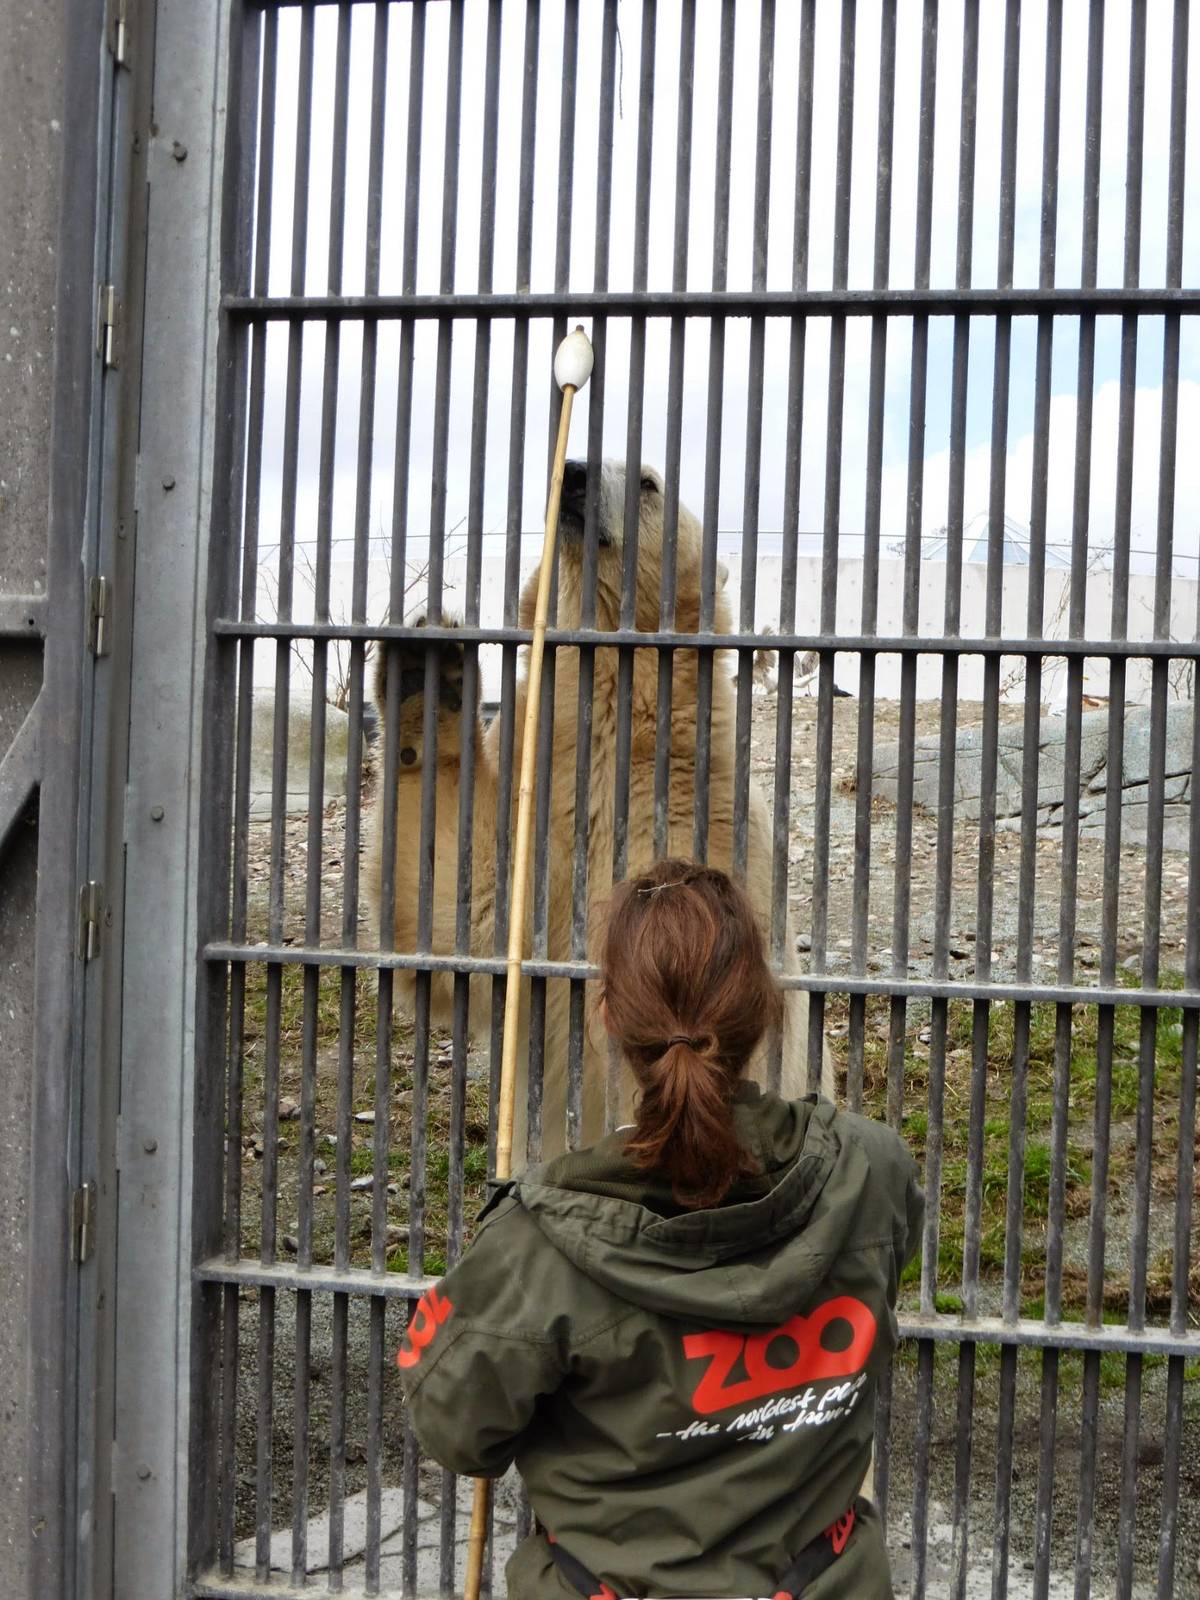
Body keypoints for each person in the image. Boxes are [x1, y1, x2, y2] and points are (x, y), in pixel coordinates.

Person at [397, 859, 924, 1599]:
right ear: (769, 1010)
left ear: (608, 1016)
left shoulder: (533, 1243)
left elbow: (458, 1434)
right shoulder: (874, 1172)